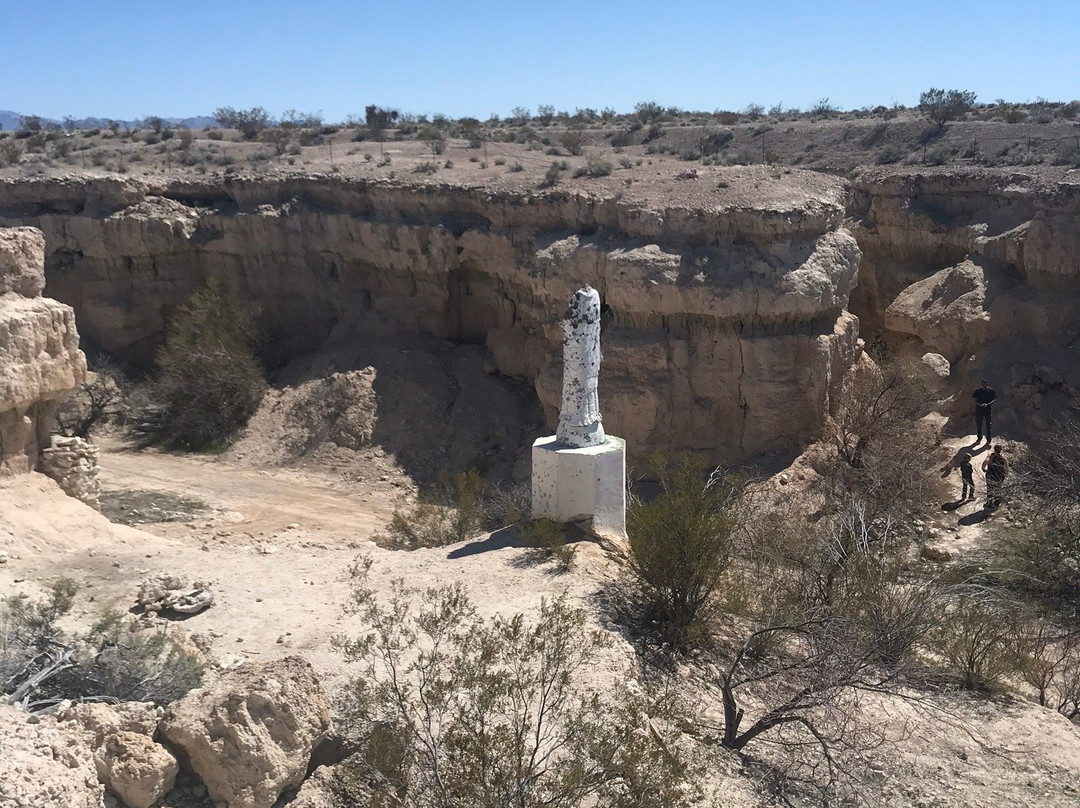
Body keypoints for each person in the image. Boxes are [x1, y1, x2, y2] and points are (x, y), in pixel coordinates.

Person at [982, 445, 1007, 509]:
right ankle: (996, 503)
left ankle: (989, 503)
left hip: (990, 475)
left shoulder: (991, 456)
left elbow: (985, 462)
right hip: (999, 477)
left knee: (989, 489)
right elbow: (1006, 468)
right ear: (1001, 450)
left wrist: (983, 468)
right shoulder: (1003, 459)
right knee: (997, 490)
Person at [973, 379, 997, 444]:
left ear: (987, 384)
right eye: (982, 384)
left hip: (988, 410)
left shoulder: (991, 391)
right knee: (979, 424)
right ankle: (979, 437)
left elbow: (994, 399)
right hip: (979, 410)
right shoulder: (977, 391)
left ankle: (988, 439)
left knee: (988, 425)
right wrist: (980, 404)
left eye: (984, 384)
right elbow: (975, 400)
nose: (983, 385)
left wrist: (988, 404)